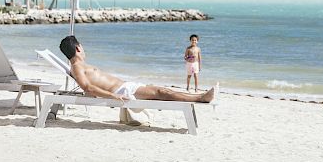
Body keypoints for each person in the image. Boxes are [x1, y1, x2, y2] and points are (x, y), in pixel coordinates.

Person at [59, 36, 215, 104]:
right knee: (162, 93)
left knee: (160, 90)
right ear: (78, 48)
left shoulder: (80, 66)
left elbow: (89, 87)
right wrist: (112, 96)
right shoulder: (77, 67)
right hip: (122, 92)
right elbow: (87, 87)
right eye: (82, 46)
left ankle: (199, 95)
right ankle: (200, 98)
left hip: (125, 87)